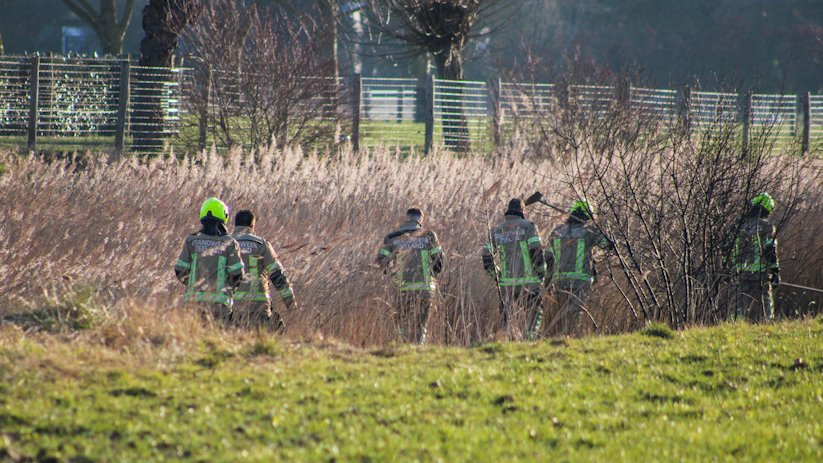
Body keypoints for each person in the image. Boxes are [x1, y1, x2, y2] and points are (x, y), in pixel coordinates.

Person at [376, 208, 444, 344]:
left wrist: (391, 275)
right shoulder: (428, 235)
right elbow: (440, 260)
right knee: (420, 326)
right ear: (421, 219)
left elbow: (382, 261)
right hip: (424, 289)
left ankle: (400, 349)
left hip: (402, 289)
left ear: (406, 218)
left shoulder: (392, 237)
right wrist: (433, 275)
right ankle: (418, 351)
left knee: (401, 325)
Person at [481, 198, 546, 340]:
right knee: (535, 314)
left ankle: (508, 344)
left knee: (507, 319)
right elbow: (536, 252)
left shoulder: (497, 230)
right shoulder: (528, 227)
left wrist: (497, 275)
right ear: (522, 211)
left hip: (507, 285)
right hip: (529, 284)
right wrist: (541, 274)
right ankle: (530, 339)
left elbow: (486, 257)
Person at [174, 197, 245, 326]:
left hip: (193, 304)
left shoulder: (191, 240)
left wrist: (193, 285)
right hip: (220, 308)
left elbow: (179, 270)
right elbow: (238, 274)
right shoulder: (229, 243)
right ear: (224, 217)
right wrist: (228, 290)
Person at [545, 200, 612, 335]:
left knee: (561, 315)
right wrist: (600, 228)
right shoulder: (589, 232)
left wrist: (548, 282)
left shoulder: (557, 231)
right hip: (580, 282)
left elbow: (548, 258)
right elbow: (608, 245)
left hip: (560, 281)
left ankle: (560, 339)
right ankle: (571, 338)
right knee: (575, 315)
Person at [230, 210, 296, 333]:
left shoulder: (226, 244)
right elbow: (278, 277)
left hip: (232, 309)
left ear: (235, 225)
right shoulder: (262, 245)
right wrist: (291, 304)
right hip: (259, 310)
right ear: (252, 226)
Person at [733, 192, 779, 321]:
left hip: (740, 273)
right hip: (760, 273)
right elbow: (770, 249)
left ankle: (737, 327)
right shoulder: (767, 227)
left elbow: (728, 250)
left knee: (739, 305)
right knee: (766, 302)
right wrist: (775, 270)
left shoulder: (738, 226)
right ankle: (768, 324)